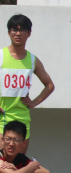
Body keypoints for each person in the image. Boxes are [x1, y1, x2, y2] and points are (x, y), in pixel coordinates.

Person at [1, 14, 55, 154]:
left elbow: (49, 85)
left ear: (29, 33)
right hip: (2, 117)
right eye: (14, 29)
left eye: (22, 29)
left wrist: (34, 102)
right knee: (2, 162)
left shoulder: (32, 60)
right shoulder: (1, 55)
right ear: (9, 33)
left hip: (23, 119)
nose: (18, 33)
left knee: (18, 162)